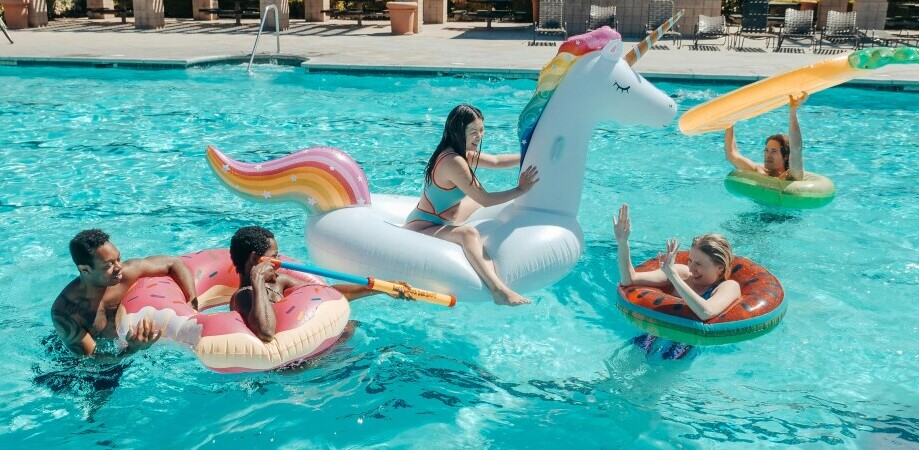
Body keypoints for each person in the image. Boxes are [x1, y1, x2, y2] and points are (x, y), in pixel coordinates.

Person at [403, 104, 540, 307]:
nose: (479, 137)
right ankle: (498, 290)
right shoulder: (453, 161)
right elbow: (485, 199)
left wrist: (532, 155)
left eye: (481, 130)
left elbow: (495, 161)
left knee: (475, 200)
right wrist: (521, 189)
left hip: (445, 216)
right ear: (459, 132)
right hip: (422, 226)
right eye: (473, 132)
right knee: (468, 234)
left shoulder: (460, 152)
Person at [229, 226, 409, 343]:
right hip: (294, 370)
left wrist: (380, 288)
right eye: (275, 256)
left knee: (354, 325)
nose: (279, 261)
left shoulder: (279, 281)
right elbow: (266, 333)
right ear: (254, 258)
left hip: (319, 352)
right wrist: (258, 278)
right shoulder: (243, 297)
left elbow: (324, 293)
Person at [613, 204, 741, 359]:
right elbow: (629, 279)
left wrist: (673, 276)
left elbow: (706, 312)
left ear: (720, 268)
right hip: (647, 341)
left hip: (681, 353)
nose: (692, 268)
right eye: (690, 261)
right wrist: (622, 242)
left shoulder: (729, 287)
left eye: (699, 264)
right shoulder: (682, 272)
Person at [51, 229, 199, 357]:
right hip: (77, 365)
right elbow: (92, 360)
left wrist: (191, 298)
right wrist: (133, 349)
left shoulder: (126, 274)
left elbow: (173, 262)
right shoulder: (66, 312)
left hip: (122, 346)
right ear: (85, 270)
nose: (119, 267)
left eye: (118, 259)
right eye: (109, 265)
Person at [725, 92, 808, 181]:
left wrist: (793, 112)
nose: (768, 155)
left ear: (786, 156)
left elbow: (796, 150)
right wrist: (729, 122)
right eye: (766, 150)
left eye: (774, 151)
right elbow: (733, 155)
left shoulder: (792, 175)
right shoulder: (759, 170)